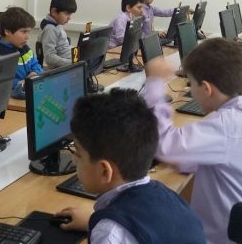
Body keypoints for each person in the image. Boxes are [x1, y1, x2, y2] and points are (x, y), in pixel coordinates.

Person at [141, 40, 242, 244]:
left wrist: (154, 83)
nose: (191, 90)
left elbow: (164, 146)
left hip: (235, 237)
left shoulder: (226, 125)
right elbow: (224, 157)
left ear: (206, 89)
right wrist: (184, 157)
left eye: (191, 84)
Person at [55, 88, 205, 244]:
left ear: (104, 171)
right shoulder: (166, 195)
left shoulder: (109, 234)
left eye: (78, 154)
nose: (73, 160)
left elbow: (115, 235)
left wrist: (106, 229)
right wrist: (94, 222)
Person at [0, 7, 43, 99]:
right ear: (7, 31)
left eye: (28, 32)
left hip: (26, 92)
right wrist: (18, 83)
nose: (27, 36)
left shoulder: (24, 47)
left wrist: (34, 73)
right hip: (6, 99)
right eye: (24, 31)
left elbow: (36, 64)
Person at [38, 0, 77, 70]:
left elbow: (63, 47)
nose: (69, 18)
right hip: (65, 64)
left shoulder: (57, 24)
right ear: (54, 12)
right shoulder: (50, 29)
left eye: (70, 14)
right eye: (67, 14)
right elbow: (49, 57)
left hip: (70, 58)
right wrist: (70, 62)